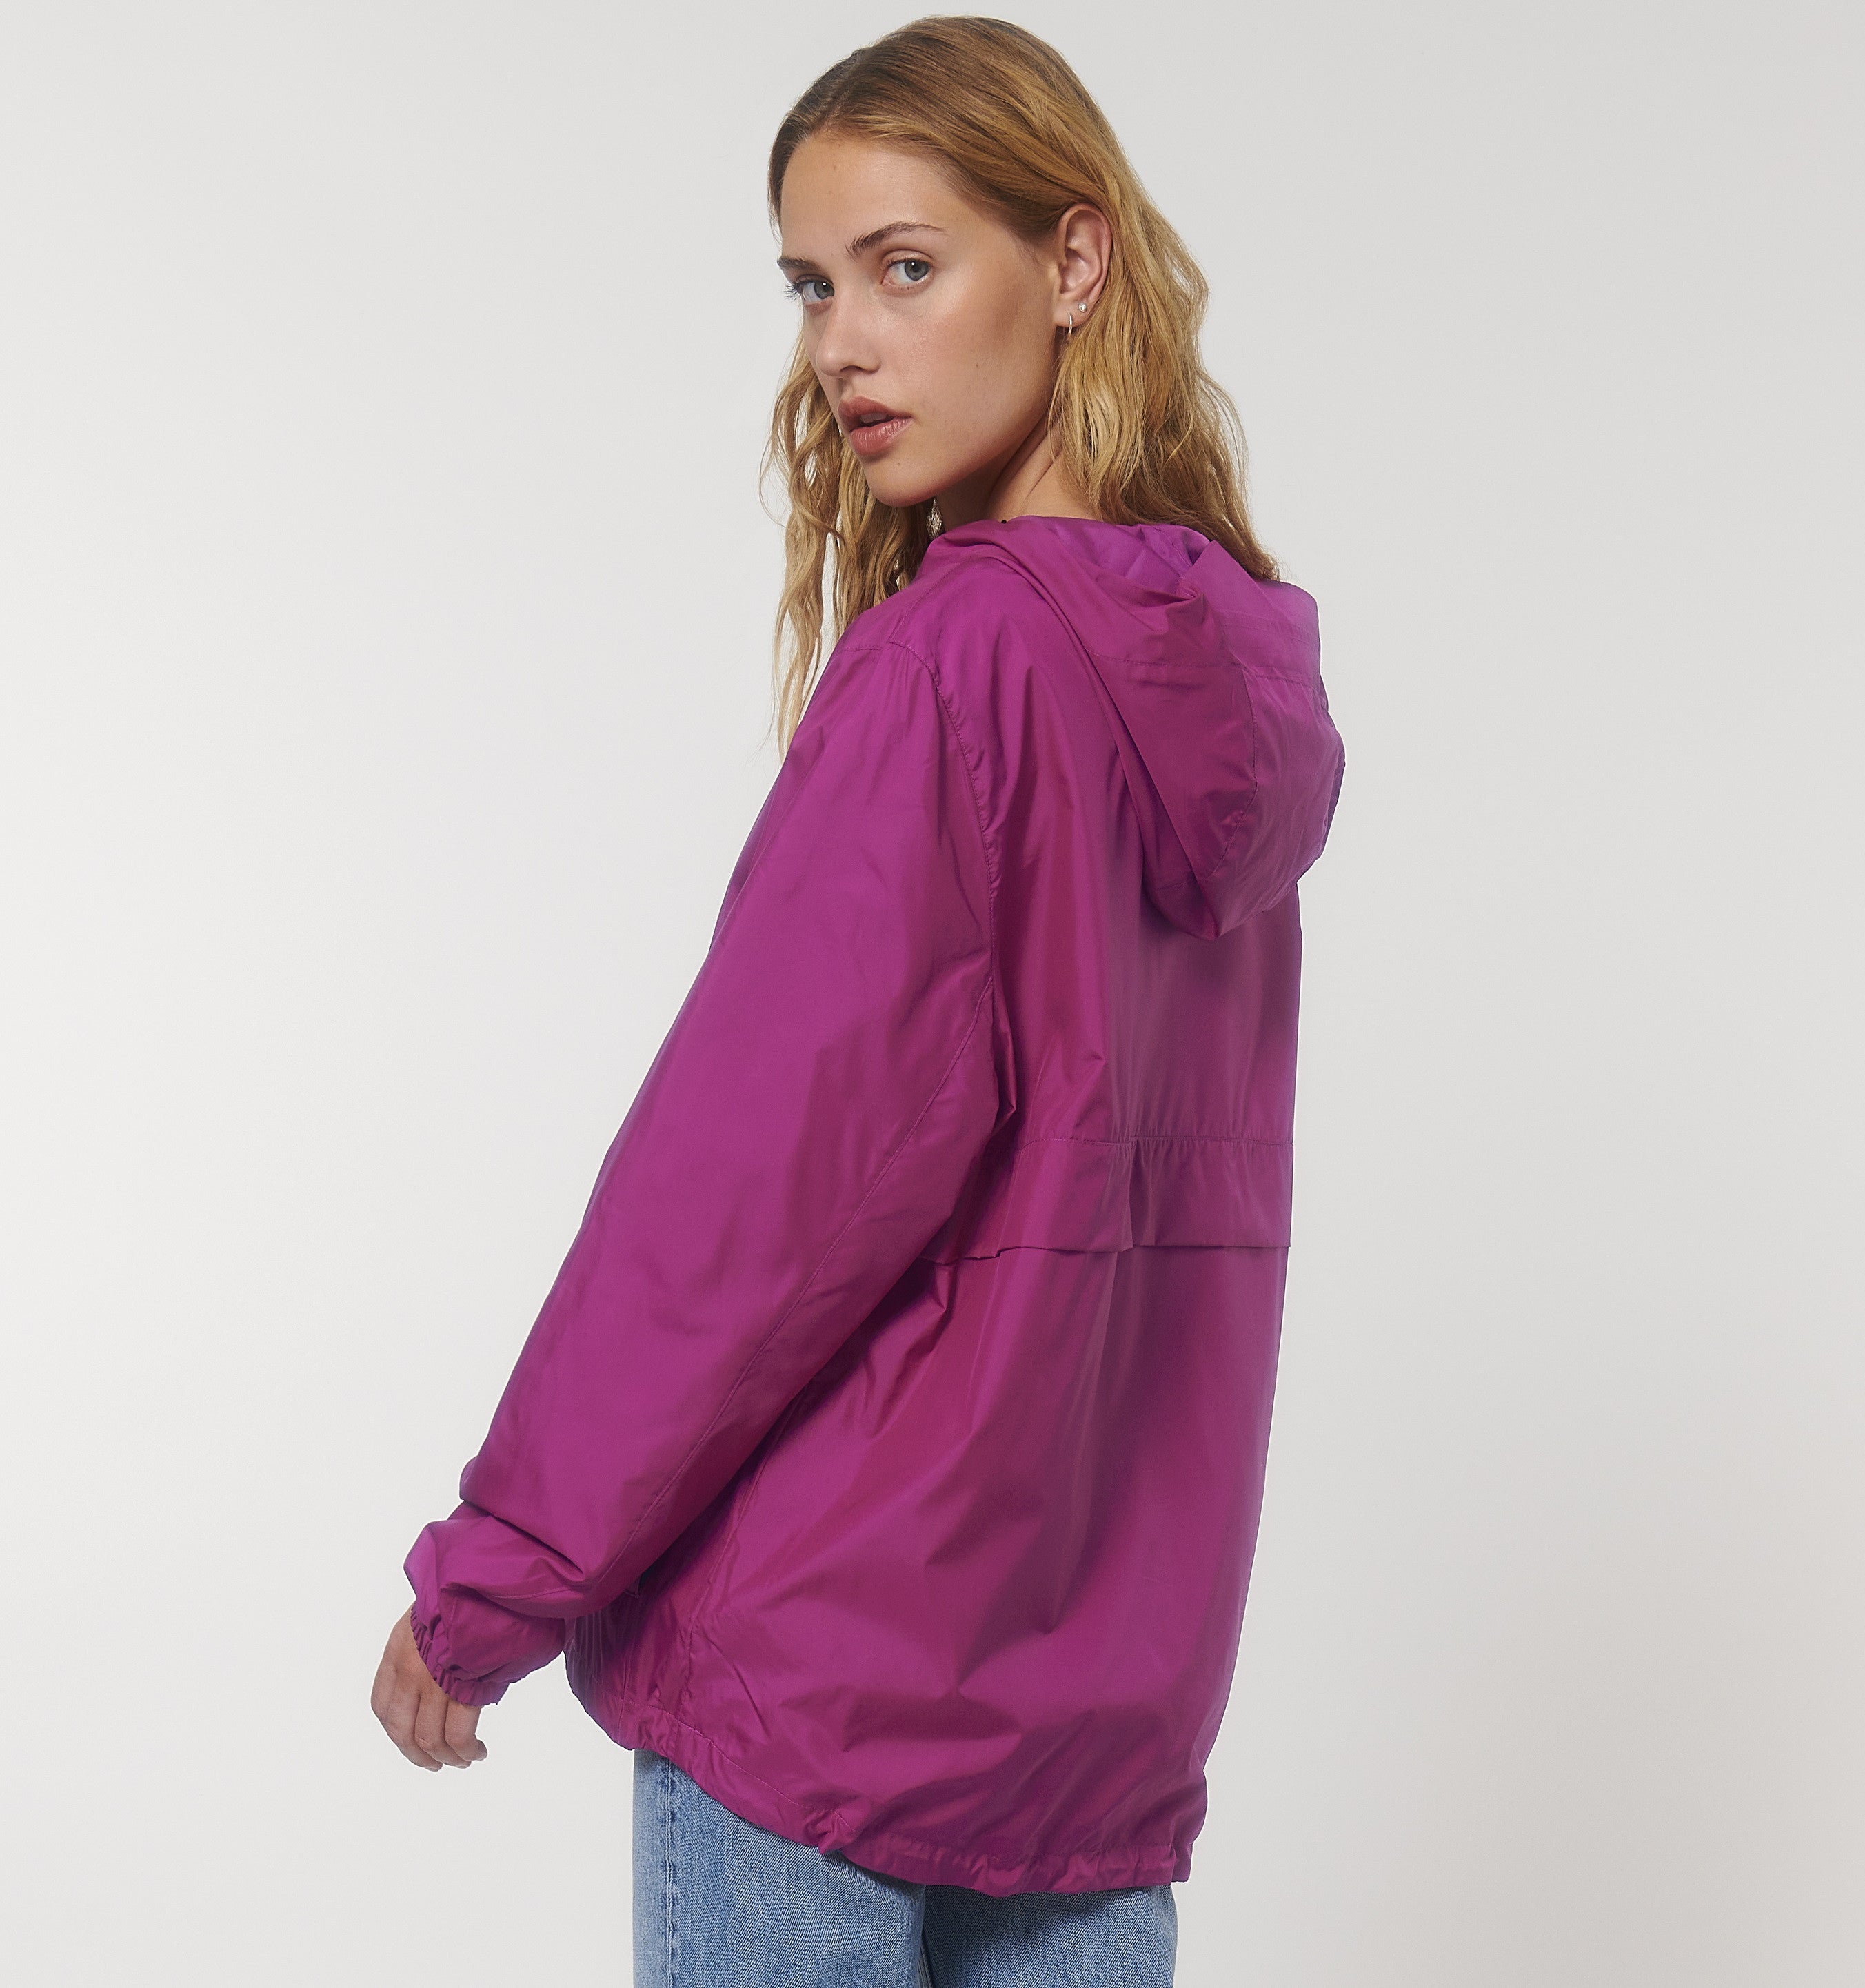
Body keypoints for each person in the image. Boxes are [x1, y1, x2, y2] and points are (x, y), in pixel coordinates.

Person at [370, 17, 1346, 1985]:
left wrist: (502, 1571)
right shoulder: (1218, 694)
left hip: (821, 1705)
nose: (841, 345)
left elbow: (749, 1190)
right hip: (1097, 1728)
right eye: (814, 286)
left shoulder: (955, 667)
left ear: (1073, 263)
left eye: (906, 268)